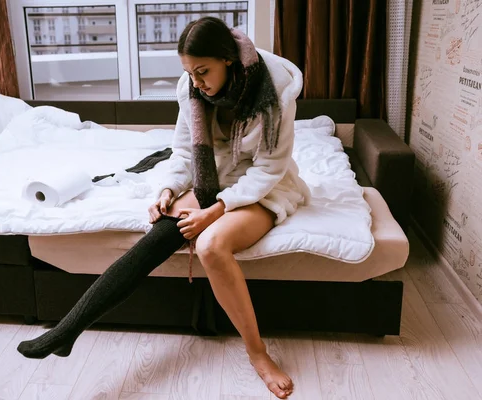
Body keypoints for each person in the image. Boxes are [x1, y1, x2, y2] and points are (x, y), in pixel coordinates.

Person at [17, 16, 310, 400]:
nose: (197, 81)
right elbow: (186, 151)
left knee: (209, 246)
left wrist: (216, 210)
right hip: (215, 175)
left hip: (263, 185)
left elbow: (270, 167)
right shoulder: (191, 89)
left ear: (229, 60)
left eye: (203, 71)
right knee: (161, 232)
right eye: (189, 72)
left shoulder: (273, 90)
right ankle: (67, 330)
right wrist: (168, 189)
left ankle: (258, 355)